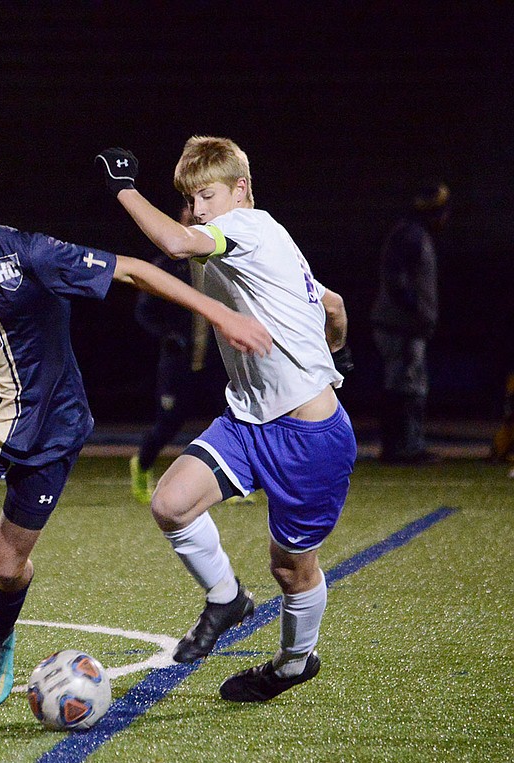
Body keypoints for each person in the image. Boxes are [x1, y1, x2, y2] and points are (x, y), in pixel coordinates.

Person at [0, 133, 272, 717]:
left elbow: (133, 271)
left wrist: (219, 313)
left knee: (7, 566)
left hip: (54, 426)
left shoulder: (28, 253)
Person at [96, 137, 356, 702]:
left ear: (241, 189)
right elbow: (333, 304)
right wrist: (337, 350)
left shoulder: (248, 227)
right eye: (190, 199)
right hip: (246, 421)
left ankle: (292, 663)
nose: (198, 210)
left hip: (309, 438)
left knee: (291, 569)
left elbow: (171, 238)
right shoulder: (250, 243)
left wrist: (122, 188)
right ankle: (226, 598)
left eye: (207, 195)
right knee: (169, 503)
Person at [129, 206, 235, 504]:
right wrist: (170, 336)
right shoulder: (167, 266)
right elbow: (144, 312)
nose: (196, 222)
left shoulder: (220, 262)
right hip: (179, 363)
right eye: (189, 219)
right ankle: (142, 465)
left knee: (229, 421)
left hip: (215, 363)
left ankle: (231, 484)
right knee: (169, 423)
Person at [370, 182, 450, 464]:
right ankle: (403, 447)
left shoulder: (412, 234)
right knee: (405, 386)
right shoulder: (410, 236)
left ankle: (403, 445)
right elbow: (397, 281)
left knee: (406, 384)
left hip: (403, 325)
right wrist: (415, 313)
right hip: (401, 327)